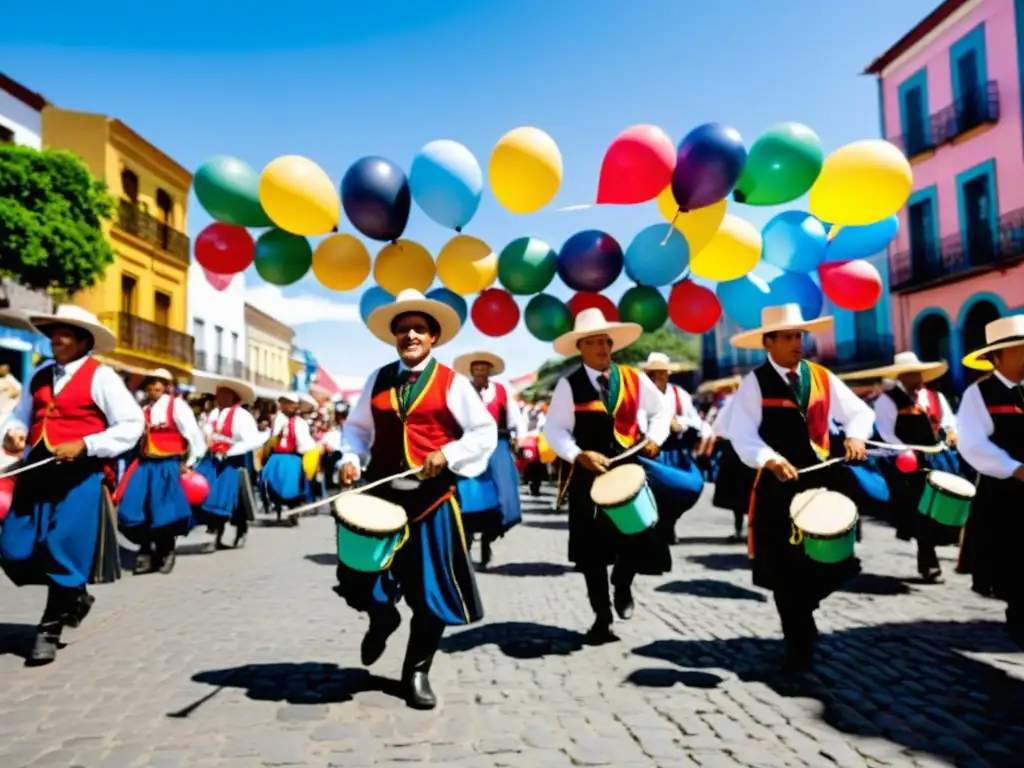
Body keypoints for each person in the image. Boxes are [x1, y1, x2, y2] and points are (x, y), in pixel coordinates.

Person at [336, 289, 496, 710]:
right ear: (394, 336)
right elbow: (356, 428)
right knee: (360, 576)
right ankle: (381, 616)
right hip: (381, 497)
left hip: (431, 501)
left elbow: (483, 433)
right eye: (403, 329)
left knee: (432, 593)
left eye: (419, 329)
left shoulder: (453, 383)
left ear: (433, 337)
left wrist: (449, 454)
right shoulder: (377, 379)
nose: (410, 335)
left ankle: (417, 670)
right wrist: (351, 457)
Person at [728, 304, 874, 672]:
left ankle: (803, 607)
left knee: (838, 561)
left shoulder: (822, 377)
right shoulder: (754, 383)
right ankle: (797, 641)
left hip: (825, 484)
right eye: (789, 337)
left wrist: (856, 437)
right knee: (784, 567)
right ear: (769, 342)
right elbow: (741, 434)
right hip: (779, 486)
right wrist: (770, 459)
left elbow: (859, 413)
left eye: (800, 336)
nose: (797, 343)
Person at [0, 305, 144, 665]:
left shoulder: (103, 378)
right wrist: (14, 431)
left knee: (60, 547)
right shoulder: (40, 373)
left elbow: (130, 425)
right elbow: (21, 413)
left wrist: (86, 445)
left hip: (79, 477)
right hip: (36, 471)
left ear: (84, 341)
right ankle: (75, 595)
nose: (55, 339)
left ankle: (49, 629)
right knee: (13, 548)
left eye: (64, 333)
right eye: (53, 332)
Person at [543, 309, 669, 643]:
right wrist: (577, 454)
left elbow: (661, 411)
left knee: (638, 534)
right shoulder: (568, 385)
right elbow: (554, 429)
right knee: (591, 553)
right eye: (593, 342)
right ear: (580, 347)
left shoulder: (633, 378)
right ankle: (602, 616)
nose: (601, 348)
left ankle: (624, 583)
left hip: (630, 471)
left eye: (605, 342)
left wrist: (656, 437)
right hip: (589, 478)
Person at [841, 352, 959, 583]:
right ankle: (928, 559)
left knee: (942, 506)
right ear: (900, 377)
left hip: (936, 459)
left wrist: (951, 432)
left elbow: (947, 421)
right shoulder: (888, 400)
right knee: (919, 508)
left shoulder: (935, 397)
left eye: (916, 373)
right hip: (908, 463)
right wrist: (902, 449)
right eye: (908, 374)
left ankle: (938, 546)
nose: (913, 378)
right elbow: (885, 430)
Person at [956, 314, 1024, 646]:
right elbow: (972, 443)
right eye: (1019, 348)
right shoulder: (978, 394)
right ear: (997, 356)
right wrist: (1013, 467)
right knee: (1012, 557)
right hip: (1005, 492)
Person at [115, 368, 205, 575]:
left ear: (166, 386)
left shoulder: (177, 406)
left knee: (163, 513)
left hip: (168, 466)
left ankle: (164, 552)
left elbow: (193, 435)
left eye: (159, 383)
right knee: (131, 510)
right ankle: (147, 547)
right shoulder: (142, 410)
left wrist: (189, 462)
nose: (154, 387)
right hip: (144, 464)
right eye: (150, 383)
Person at [452, 351, 524, 569]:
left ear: (490, 371)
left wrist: (519, 437)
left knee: (504, 494)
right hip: (470, 445)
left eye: (484, 368)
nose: (481, 372)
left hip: (497, 444)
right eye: (477, 369)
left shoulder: (501, 391)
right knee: (470, 493)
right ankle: (468, 538)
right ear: (472, 371)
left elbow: (515, 418)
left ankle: (488, 539)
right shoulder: (461, 391)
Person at [639, 352, 708, 543]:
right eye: (654, 373)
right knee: (650, 491)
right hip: (649, 450)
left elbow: (696, 422)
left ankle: (669, 523)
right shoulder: (640, 395)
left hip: (674, 451)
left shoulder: (680, 395)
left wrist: (679, 423)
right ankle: (652, 528)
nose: (659, 377)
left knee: (687, 487)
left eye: (662, 372)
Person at [193, 376, 264, 550]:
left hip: (233, 461)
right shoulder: (214, 414)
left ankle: (241, 530)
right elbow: (208, 431)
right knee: (209, 495)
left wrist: (230, 450)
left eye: (224, 395)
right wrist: (207, 439)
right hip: (213, 460)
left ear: (233, 397)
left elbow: (252, 441)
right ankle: (215, 534)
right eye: (218, 395)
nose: (219, 398)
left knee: (236, 498)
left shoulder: (242, 415)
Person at [260, 393, 318, 526]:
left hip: (292, 457)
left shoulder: (299, 423)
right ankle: (274, 503)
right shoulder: (276, 419)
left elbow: (305, 444)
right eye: (286, 403)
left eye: (292, 404)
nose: (289, 407)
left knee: (292, 481)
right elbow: (270, 438)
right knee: (267, 478)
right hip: (276, 456)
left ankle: (293, 507)